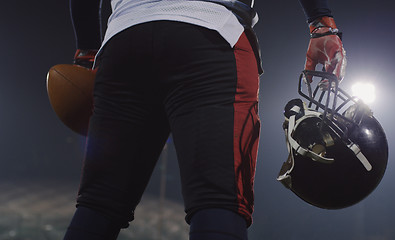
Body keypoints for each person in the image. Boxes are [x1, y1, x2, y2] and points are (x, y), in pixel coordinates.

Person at [63, 0, 346, 239]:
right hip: (211, 30)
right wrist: (321, 22)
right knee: (219, 201)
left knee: (98, 204)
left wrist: (87, 54)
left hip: (124, 39)